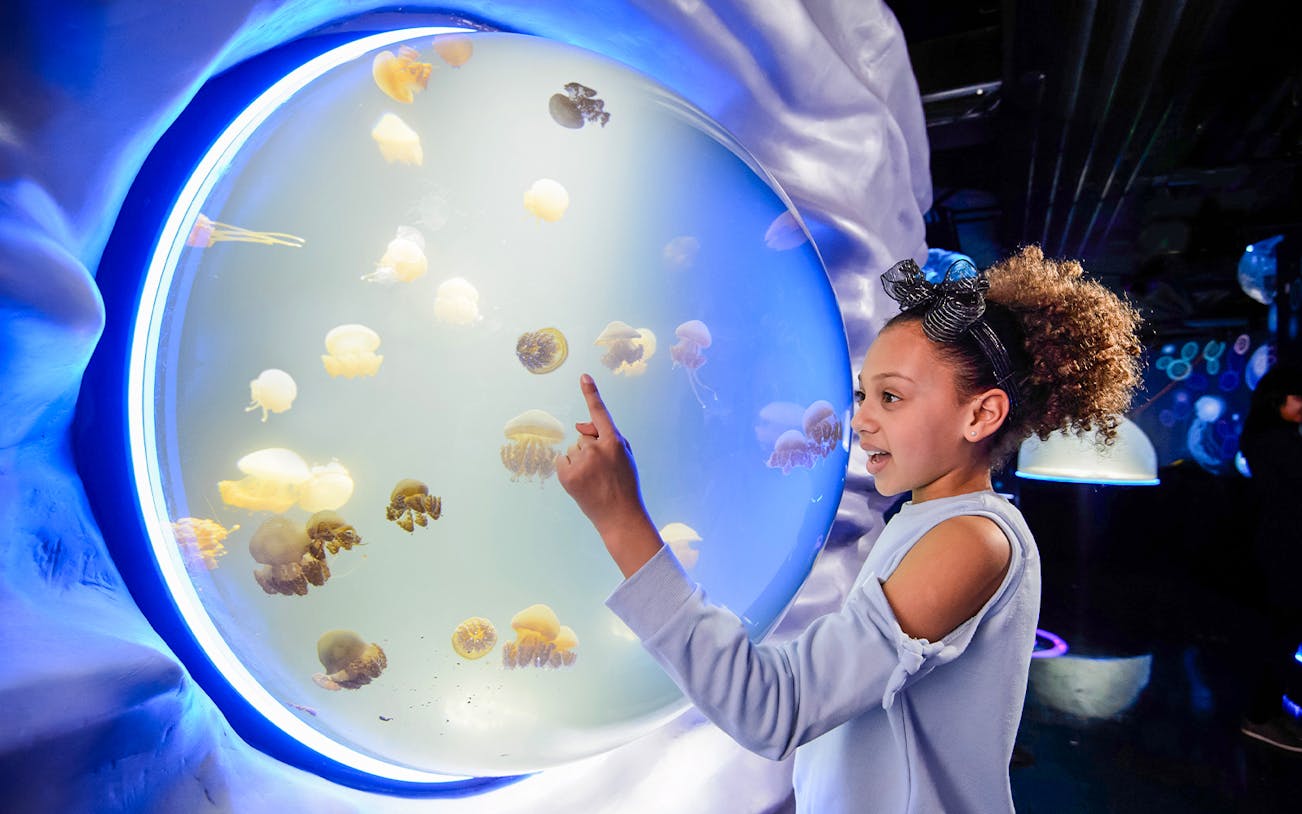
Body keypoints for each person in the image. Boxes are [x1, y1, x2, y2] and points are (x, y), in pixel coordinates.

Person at [556, 245, 1143, 813]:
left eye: (891, 396)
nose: (860, 418)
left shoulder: (972, 541)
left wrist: (620, 520)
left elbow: (773, 709)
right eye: (863, 394)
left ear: (981, 414)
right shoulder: (925, 521)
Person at [1236, 362, 1302, 753]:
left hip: (1279, 544)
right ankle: (1261, 717)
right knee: (1280, 633)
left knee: (1282, 632)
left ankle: (1267, 712)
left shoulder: (1274, 438)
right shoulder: (1274, 442)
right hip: (1283, 548)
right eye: (1297, 399)